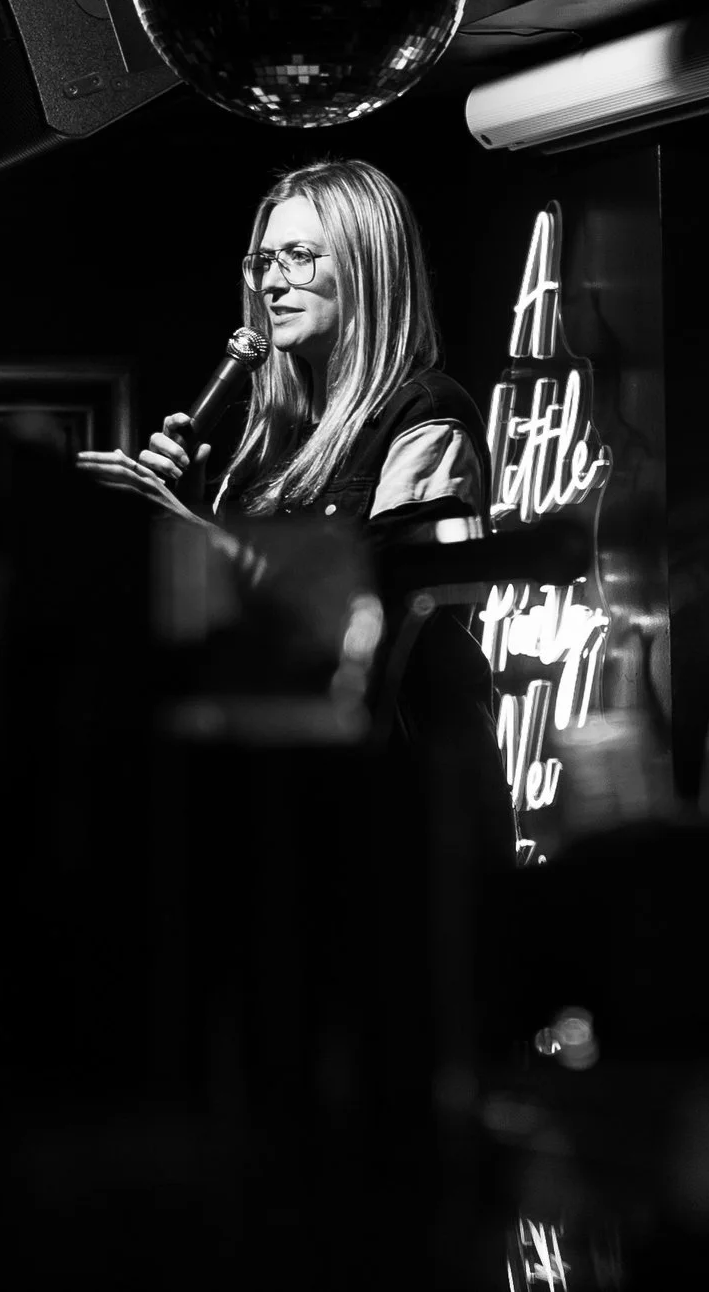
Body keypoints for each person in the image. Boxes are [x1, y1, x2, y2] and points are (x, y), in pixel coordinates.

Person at [75, 157, 509, 838]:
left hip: (399, 810)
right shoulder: (263, 449)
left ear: (367, 267)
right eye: (265, 261)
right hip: (288, 809)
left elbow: (386, 614)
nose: (273, 282)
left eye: (300, 256)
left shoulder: (425, 413)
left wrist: (193, 531)